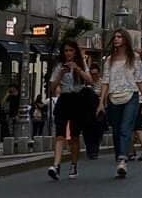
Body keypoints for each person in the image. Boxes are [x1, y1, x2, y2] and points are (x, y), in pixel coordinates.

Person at [98, 28, 142, 179]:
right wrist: (101, 102)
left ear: (125, 39)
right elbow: (105, 81)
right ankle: (120, 156)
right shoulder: (109, 60)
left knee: (126, 127)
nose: (116, 39)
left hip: (131, 95)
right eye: (115, 37)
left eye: (119, 36)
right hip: (113, 97)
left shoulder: (134, 58)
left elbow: (139, 79)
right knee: (117, 130)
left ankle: (122, 160)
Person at [47, 40, 93, 181]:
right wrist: (60, 74)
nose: (68, 53)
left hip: (78, 100)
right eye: (66, 51)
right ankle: (56, 165)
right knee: (60, 133)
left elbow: (90, 80)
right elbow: (52, 89)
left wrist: (77, 69)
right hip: (64, 99)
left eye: (71, 50)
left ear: (75, 52)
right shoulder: (59, 66)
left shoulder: (81, 63)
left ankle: (73, 164)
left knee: (74, 136)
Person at [82, 63, 105, 160]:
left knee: (98, 131)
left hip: (99, 109)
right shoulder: (86, 83)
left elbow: (104, 95)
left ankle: (95, 150)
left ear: (99, 73)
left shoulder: (102, 83)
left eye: (95, 74)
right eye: (92, 74)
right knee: (87, 130)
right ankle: (89, 149)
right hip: (88, 110)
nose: (94, 76)